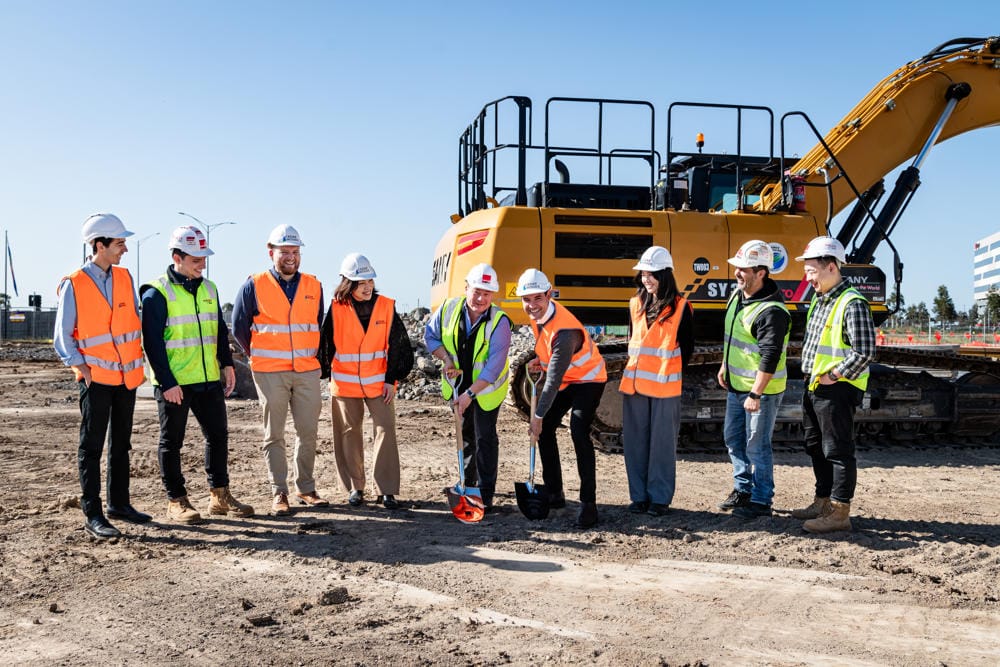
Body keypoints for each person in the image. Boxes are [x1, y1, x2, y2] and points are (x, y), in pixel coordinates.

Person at [141, 225, 254, 524]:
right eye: (195, 258)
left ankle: (219, 496)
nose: (202, 263)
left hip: (206, 379)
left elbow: (219, 329)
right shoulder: (156, 293)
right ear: (177, 256)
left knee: (217, 436)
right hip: (175, 383)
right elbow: (151, 343)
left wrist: (227, 364)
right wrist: (167, 382)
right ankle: (175, 500)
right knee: (172, 442)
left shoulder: (209, 288)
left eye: (203, 257)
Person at [54, 213, 150, 539]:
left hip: (126, 378)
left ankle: (119, 504)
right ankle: (92, 513)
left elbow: (130, 325)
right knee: (91, 447)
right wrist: (80, 368)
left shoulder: (124, 277)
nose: (124, 248)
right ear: (100, 245)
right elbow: (62, 336)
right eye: (119, 243)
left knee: (121, 444)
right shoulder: (74, 283)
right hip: (95, 380)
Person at [232, 224, 326, 516]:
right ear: (271, 252)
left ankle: (306, 488)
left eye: (295, 252)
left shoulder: (314, 285)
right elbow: (238, 327)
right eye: (285, 251)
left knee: (308, 431)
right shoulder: (254, 284)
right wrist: (256, 354)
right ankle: (279, 493)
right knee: (274, 434)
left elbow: (317, 325)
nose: (291, 257)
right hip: (270, 371)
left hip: (306, 370)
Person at [792, 236, 876, 533]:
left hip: (837, 388)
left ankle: (840, 513)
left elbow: (864, 351)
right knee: (815, 446)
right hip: (815, 386)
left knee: (838, 449)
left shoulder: (851, 302)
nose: (807, 276)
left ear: (830, 267)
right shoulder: (820, 298)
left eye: (811, 270)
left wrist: (835, 374)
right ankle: (822, 501)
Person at [318, 253, 413, 509]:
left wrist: (392, 379)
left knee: (385, 429)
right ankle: (355, 488)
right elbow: (326, 344)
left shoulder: (385, 305)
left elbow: (399, 346)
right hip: (345, 384)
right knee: (349, 433)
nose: (367, 286)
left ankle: (386, 490)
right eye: (361, 282)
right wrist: (322, 374)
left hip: (378, 382)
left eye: (370, 280)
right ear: (348, 283)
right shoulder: (336, 308)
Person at [516, 268, 607, 529]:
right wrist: (539, 361)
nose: (531, 305)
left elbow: (553, 381)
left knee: (578, 430)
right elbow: (549, 357)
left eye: (537, 298)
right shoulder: (539, 317)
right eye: (526, 299)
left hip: (589, 380)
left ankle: (589, 504)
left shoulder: (565, 330)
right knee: (545, 431)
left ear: (548, 294)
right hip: (569, 379)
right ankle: (554, 493)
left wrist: (537, 416)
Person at [424, 263, 511, 512]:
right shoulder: (449, 308)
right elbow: (430, 336)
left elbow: (493, 367)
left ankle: (486, 491)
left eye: (487, 293)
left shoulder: (500, 322)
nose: (481, 298)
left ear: (493, 295)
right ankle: (467, 482)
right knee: (465, 435)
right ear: (466, 288)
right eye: (476, 291)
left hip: (486, 390)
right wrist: (447, 359)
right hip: (458, 385)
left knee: (484, 436)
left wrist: (470, 394)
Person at [716, 240, 791, 520]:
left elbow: (769, 356)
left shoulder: (771, 311)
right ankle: (742, 488)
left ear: (761, 272)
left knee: (756, 445)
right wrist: (725, 365)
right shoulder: (737, 297)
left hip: (761, 391)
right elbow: (734, 338)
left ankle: (761, 500)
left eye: (743, 269)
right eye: (736, 267)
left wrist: (756, 393)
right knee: (733, 438)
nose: (737, 273)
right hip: (737, 386)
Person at [619, 247, 694, 517]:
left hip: (664, 387)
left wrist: (665, 371)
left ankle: (659, 499)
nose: (645, 279)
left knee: (661, 446)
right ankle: (639, 498)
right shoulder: (634, 304)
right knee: (636, 444)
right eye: (643, 274)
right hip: (635, 386)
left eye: (651, 274)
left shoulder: (682, 307)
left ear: (665, 275)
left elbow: (686, 350)